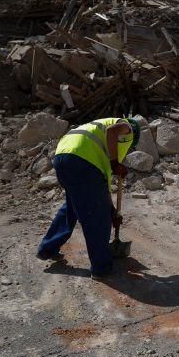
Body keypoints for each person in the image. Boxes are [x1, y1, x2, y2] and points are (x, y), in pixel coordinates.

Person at [37, 117, 141, 279]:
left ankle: (47, 249)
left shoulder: (96, 135)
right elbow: (113, 131)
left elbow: (100, 190)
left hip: (62, 158)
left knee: (72, 206)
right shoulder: (127, 126)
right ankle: (101, 268)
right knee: (97, 217)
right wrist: (115, 163)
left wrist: (111, 210)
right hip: (82, 162)